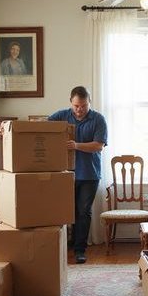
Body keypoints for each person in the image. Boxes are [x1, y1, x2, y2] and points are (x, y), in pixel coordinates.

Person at [48, 86, 108, 264]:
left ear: (89, 103)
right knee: (68, 211)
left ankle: (80, 250)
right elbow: (40, 128)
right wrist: (5, 127)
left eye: (83, 106)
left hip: (89, 174)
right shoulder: (61, 116)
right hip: (65, 173)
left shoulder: (98, 119)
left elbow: (99, 145)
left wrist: (76, 145)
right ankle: (67, 246)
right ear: (70, 103)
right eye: (76, 106)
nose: (79, 109)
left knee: (83, 211)